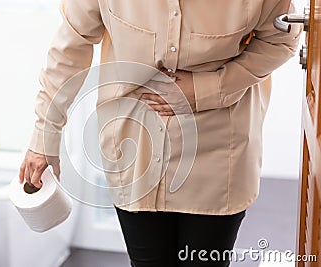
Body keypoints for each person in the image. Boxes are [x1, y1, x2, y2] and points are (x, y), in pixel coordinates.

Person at [18, 0, 302, 266]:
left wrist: (208, 88)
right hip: (133, 148)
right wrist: (45, 136)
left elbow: (282, 40)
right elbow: (71, 44)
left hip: (220, 152)